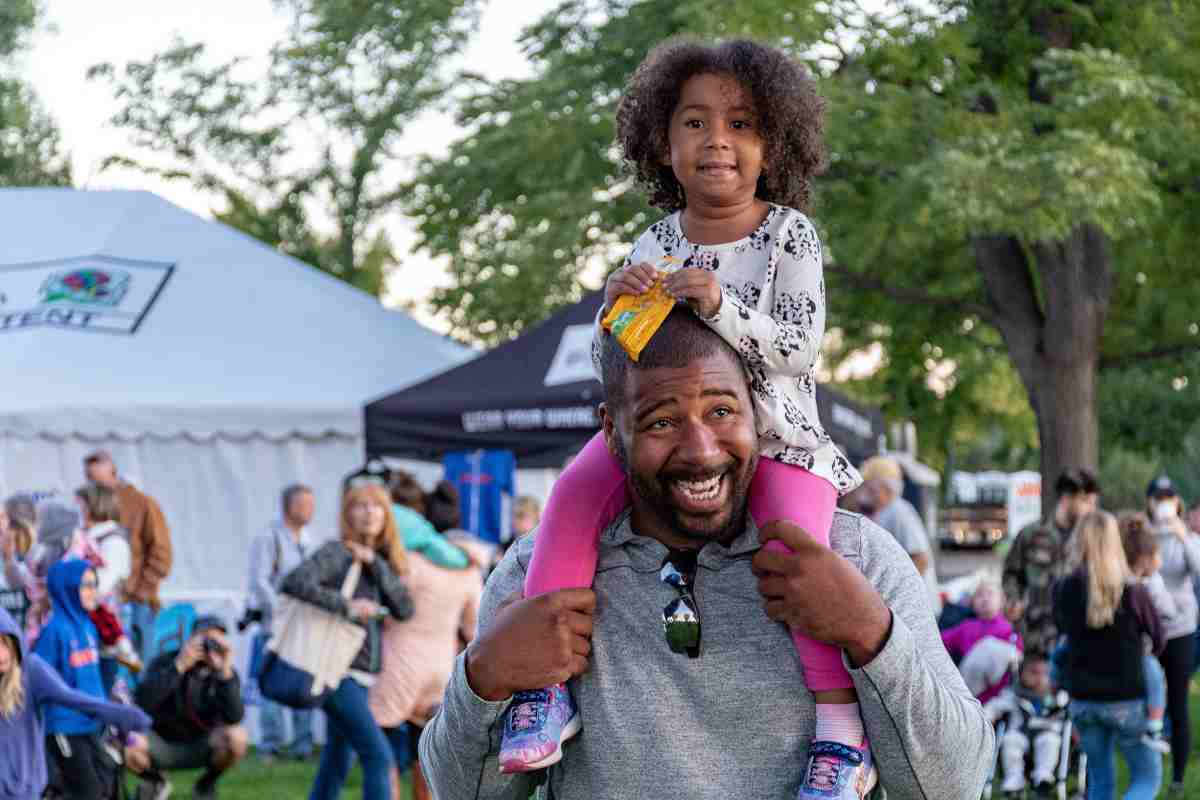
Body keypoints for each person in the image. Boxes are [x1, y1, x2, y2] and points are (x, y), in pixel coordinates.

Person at [420, 306, 993, 799]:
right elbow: (459, 790)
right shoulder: (536, 572)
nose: (700, 450)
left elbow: (955, 784)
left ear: (756, 412)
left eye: (721, 411)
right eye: (661, 421)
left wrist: (871, 633)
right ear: (612, 432)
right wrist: (485, 677)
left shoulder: (856, 557)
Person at [500, 39, 873, 797]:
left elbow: (800, 349)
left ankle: (839, 733)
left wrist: (719, 305)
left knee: (798, 550)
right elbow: (629, 353)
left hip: (775, 439)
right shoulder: (657, 240)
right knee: (571, 496)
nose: (718, 142)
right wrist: (616, 306)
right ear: (663, 147)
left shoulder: (788, 236)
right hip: (664, 432)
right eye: (695, 124)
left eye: (740, 123)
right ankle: (544, 689)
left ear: (773, 143)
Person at [321, 480, 483, 800]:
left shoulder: (399, 564)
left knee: (383, 756)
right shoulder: (467, 567)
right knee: (428, 755)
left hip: (394, 667)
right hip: (441, 671)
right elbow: (474, 628)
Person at [280, 484, 414, 800]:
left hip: (361, 674)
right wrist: (347, 606)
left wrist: (375, 564)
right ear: (347, 513)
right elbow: (294, 582)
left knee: (337, 760)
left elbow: (405, 609)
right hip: (336, 670)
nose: (369, 513)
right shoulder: (336, 553)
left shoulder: (381, 562)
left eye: (376, 506)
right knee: (379, 757)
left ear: (386, 515)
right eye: (360, 506)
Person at [1055, 510, 1164, 800]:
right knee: (1147, 778)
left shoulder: (1064, 588)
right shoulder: (1133, 591)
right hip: (1125, 698)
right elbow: (1159, 637)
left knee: (1101, 782)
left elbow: (1063, 636)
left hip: (1082, 700)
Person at [0, 606, 150, 800]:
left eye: (4, 644)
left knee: (95, 787)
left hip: (26, 789)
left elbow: (74, 699)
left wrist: (122, 715)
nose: (1, 654)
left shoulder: (31, 671)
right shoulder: (55, 631)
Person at [126, 615, 247, 800]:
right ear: (191, 638)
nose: (208, 647)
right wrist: (179, 666)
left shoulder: (225, 673)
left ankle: (206, 784)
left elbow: (235, 717)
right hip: (161, 741)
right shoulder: (166, 661)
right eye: (204, 639)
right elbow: (142, 703)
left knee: (238, 738)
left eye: (215, 641)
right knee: (128, 741)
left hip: (202, 743)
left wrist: (224, 671)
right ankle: (155, 781)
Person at [32, 559, 115, 799]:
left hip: (88, 724)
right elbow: (38, 678)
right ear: (68, 589)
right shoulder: (55, 631)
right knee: (86, 791)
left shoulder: (88, 627)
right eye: (86, 585)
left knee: (106, 780)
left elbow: (93, 681)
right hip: (64, 727)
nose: (94, 591)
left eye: (95, 584)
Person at [245, 483, 316, 763]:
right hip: (275, 625)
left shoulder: (309, 539)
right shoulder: (269, 538)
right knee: (271, 686)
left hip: (304, 623)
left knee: (303, 683)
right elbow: (259, 581)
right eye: (305, 505)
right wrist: (279, 610)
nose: (311, 511)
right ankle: (270, 745)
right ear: (290, 506)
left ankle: (303, 745)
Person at [83, 451, 173, 662]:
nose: (92, 484)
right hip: (103, 605)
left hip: (135, 602)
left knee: (139, 669)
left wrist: (141, 591)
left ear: (113, 474)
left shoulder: (142, 504)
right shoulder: (92, 509)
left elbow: (162, 553)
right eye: (88, 478)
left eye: (96, 479)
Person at [1003, 467, 1100, 658]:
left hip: (1079, 639)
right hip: (1036, 638)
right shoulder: (1031, 535)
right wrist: (1014, 600)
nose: (1092, 509)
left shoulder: (1094, 540)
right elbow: (1012, 574)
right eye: (1086, 502)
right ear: (1066, 499)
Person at [1143, 475, 1199, 794]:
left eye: (1169, 498)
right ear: (1149, 503)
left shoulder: (1187, 537)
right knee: (1145, 701)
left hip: (1181, 630)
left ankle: (1177, 779)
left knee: (1177, 702)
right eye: (1158, 498)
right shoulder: (1142, 535)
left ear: (1177, 503)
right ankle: (1147, 771)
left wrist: (1184, 537)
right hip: (1148, 630)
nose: (1164, 504)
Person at [72, 483, 140, 690]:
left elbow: (101, 586)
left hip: (104, 632)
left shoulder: (113, 542)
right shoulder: (85, 538)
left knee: (103, 686)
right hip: (85, 627)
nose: (79, 512)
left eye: (81, 506)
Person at [1119, 512, 1174, 754]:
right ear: (1145, 558)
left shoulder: (1118, 581)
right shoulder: (1146, 587)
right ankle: (1154, 725)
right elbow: (1165, 616)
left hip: (1121, 650)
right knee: (1154, 677)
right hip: (1140, 649)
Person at [983, 654, 1068, 799]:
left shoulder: (1057, 697)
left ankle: (1043, 778)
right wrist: (987, 718)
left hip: (1047, 732)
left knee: (1049, 742)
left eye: (1044, 674)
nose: (1039, 678)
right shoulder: (1012, 694)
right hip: (1019, 733)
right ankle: (1013, 779)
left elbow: (1069, 708)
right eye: (1033, 672)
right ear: (1021, 674)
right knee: (1010, 741)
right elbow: (992, 708)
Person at [4, 498, 80, 646]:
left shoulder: (46, 550)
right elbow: (20, 580)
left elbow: (27, 581)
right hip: (45, 622)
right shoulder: (38, 550)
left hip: (51, 622)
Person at [941, 580, 1022, 703]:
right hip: (967, 697)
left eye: (990, 594)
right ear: (972, 602)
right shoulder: (965, 627)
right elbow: (940, 642)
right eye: (979, 595)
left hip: (996, 700)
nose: (985, 598)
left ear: (1002, 600)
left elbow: (1016, 658)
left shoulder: (1009, 630)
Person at [858, 456, 932, 578]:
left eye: (868, 486)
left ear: (885, 488)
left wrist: (896, 592)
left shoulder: (899, 512)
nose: (863, 491)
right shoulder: (882, 511)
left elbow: (921, 559)